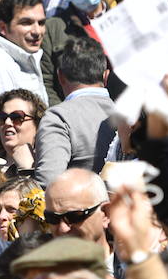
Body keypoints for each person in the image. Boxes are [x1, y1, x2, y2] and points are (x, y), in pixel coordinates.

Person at [33, 36, 114, 185]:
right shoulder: (128, 115)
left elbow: (49, 184)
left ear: (60, 76)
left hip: (77, 206)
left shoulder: (58, 117)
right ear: (106, 76)